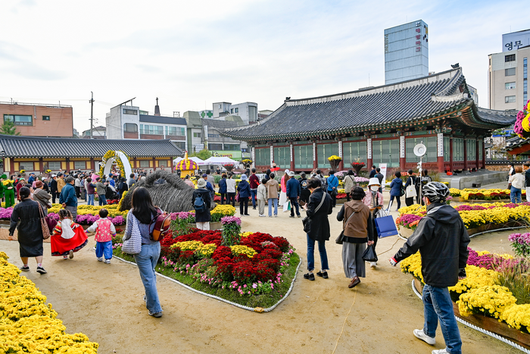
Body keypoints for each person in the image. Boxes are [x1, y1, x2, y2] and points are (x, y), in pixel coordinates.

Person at [389, 182, 469, 354]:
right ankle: (428, 333)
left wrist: (396, 257)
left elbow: (413, 243)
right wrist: (461, 267)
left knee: (445, 310)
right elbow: (464, 243)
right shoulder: (455, 216)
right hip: (447, 268)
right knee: (428, 297)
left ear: (426, 199)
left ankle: (454, 349)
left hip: (434, 270)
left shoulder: (429, 220)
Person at [125, 187, 163, 318]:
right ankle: (149, 298)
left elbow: (129, 232)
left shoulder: (133, 213)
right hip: (156, 247)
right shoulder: (158, 211)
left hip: (142, 249)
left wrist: (124, 241)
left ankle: (155, 309)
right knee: (151, 274)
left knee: (148, 278)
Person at [337, 187, 375, 288]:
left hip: (349, 235)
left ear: (351, 195)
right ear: (362, 196)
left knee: (349, 258)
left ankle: (354, 276)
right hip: (362, 236)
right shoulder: (366, 208)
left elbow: (338, 218)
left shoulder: (346, 205)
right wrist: (371, 239)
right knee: (359, 258)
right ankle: (357, 274)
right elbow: (370, 225)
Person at [8, 187, 47, 274]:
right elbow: (43, 215)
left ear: (20, 195)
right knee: (38, 246)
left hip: (23, 229)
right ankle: (39, 265)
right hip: (37, 228)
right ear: (30, 194)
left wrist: (11, 233)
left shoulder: (18, 206)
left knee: (24, 247)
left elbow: (13, 220)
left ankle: (25, 265)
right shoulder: (37, 204)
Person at [302, 178, 332, 281]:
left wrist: (305, 208)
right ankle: (324, 271)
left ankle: (310, 272)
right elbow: (330, 211)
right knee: (322, 247)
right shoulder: (327, 195)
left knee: (310, 247)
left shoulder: (313, 196)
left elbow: (310, 213)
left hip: (313, 224)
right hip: (324, 224)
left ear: (311, 187)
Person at [362, 177, 384, 268]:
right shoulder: (365, 194)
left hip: (376, 219)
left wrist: (379, 207)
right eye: (373, 185)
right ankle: (367, 253)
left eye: (376, 185)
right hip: (366, 218)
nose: (375, 187)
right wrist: (368, 208)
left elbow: (381, 206)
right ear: (369, 186)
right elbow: (361, 205)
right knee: (366, 237)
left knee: (374, 237)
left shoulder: (380, 195)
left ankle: (372, 256)